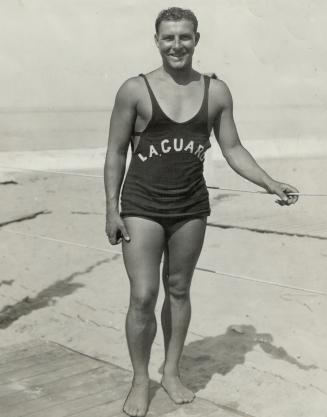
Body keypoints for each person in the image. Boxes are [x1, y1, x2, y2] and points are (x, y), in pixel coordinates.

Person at [104, 7, 299, 417]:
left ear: (197, 39)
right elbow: (115, 152)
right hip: (141, 205)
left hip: (191, 205)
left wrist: (270, 183)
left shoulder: (217, 91)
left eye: (185, 37)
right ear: (156, 41)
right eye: (169, 37)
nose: (177, 45)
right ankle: (141, 380)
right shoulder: (134, 90)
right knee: (143, 295)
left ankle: (171, 373)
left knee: (178, 290)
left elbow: (232, 148)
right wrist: (111, 208)